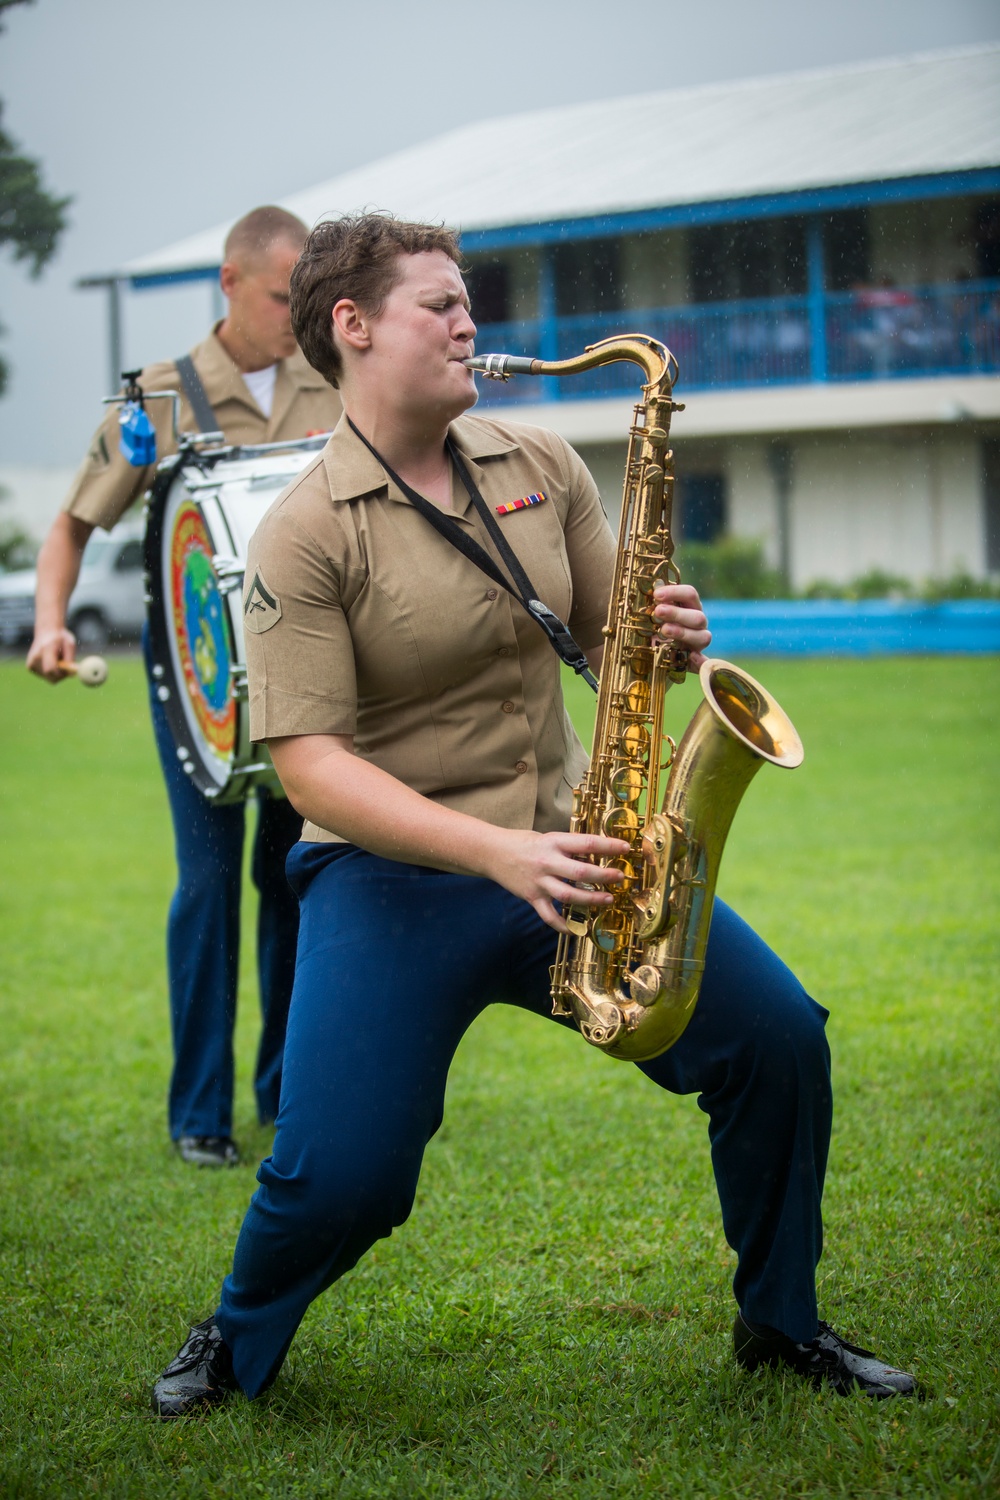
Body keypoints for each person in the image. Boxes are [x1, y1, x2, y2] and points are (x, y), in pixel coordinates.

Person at [151, 213, 916, 1413]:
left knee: (778, 1043)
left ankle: (783, 1324)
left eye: (470, 301)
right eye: (438, 305)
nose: (471, 323)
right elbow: (310, 769)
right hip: (392, 875)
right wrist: (498, 853)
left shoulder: (542, 463)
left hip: (579, 844)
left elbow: (614, 645)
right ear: (350, 328)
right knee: (347, 1174)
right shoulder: (301, 535)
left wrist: (664, 643)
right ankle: (235, 1338)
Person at [28, 207, 341, 1167]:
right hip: (200, 695)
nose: (302, 316)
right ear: (231, 284)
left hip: (309, 688)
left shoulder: (330, 381)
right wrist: (49, 622)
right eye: (289, 297)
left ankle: (287, 1092)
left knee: (294, 884)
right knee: (206, 888)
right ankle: (200, 1112)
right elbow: (74, 526)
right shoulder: (157, 401)